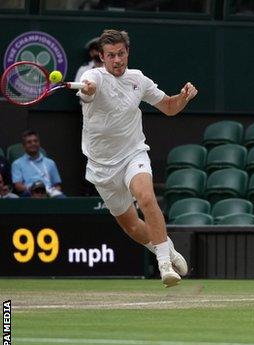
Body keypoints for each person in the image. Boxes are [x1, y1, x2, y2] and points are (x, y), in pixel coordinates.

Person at [77, 29, 197, 287]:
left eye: (121, 54)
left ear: (127, 52)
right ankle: (167, 249)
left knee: (146, 197)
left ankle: (164, 265)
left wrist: (184, 97)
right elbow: (88, 90)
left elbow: (169, 107)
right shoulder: (91, 77)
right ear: (102, 56)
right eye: (111, 55)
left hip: (133, 153)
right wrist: (88, 90)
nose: (117, 60)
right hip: (101, 166)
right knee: (131, 224)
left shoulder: (138, 79)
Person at [11, 130, 65, 198]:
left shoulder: (50, 163)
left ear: (39, 143)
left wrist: (53, 191)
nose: (33, 143)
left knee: (62, 198)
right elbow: (18, 186)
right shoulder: (17, 164)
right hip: (29, 193)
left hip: (49, 193)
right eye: (29, 142)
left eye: (35, 141)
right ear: (24, 146)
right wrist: (35, 191)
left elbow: (57, 185)